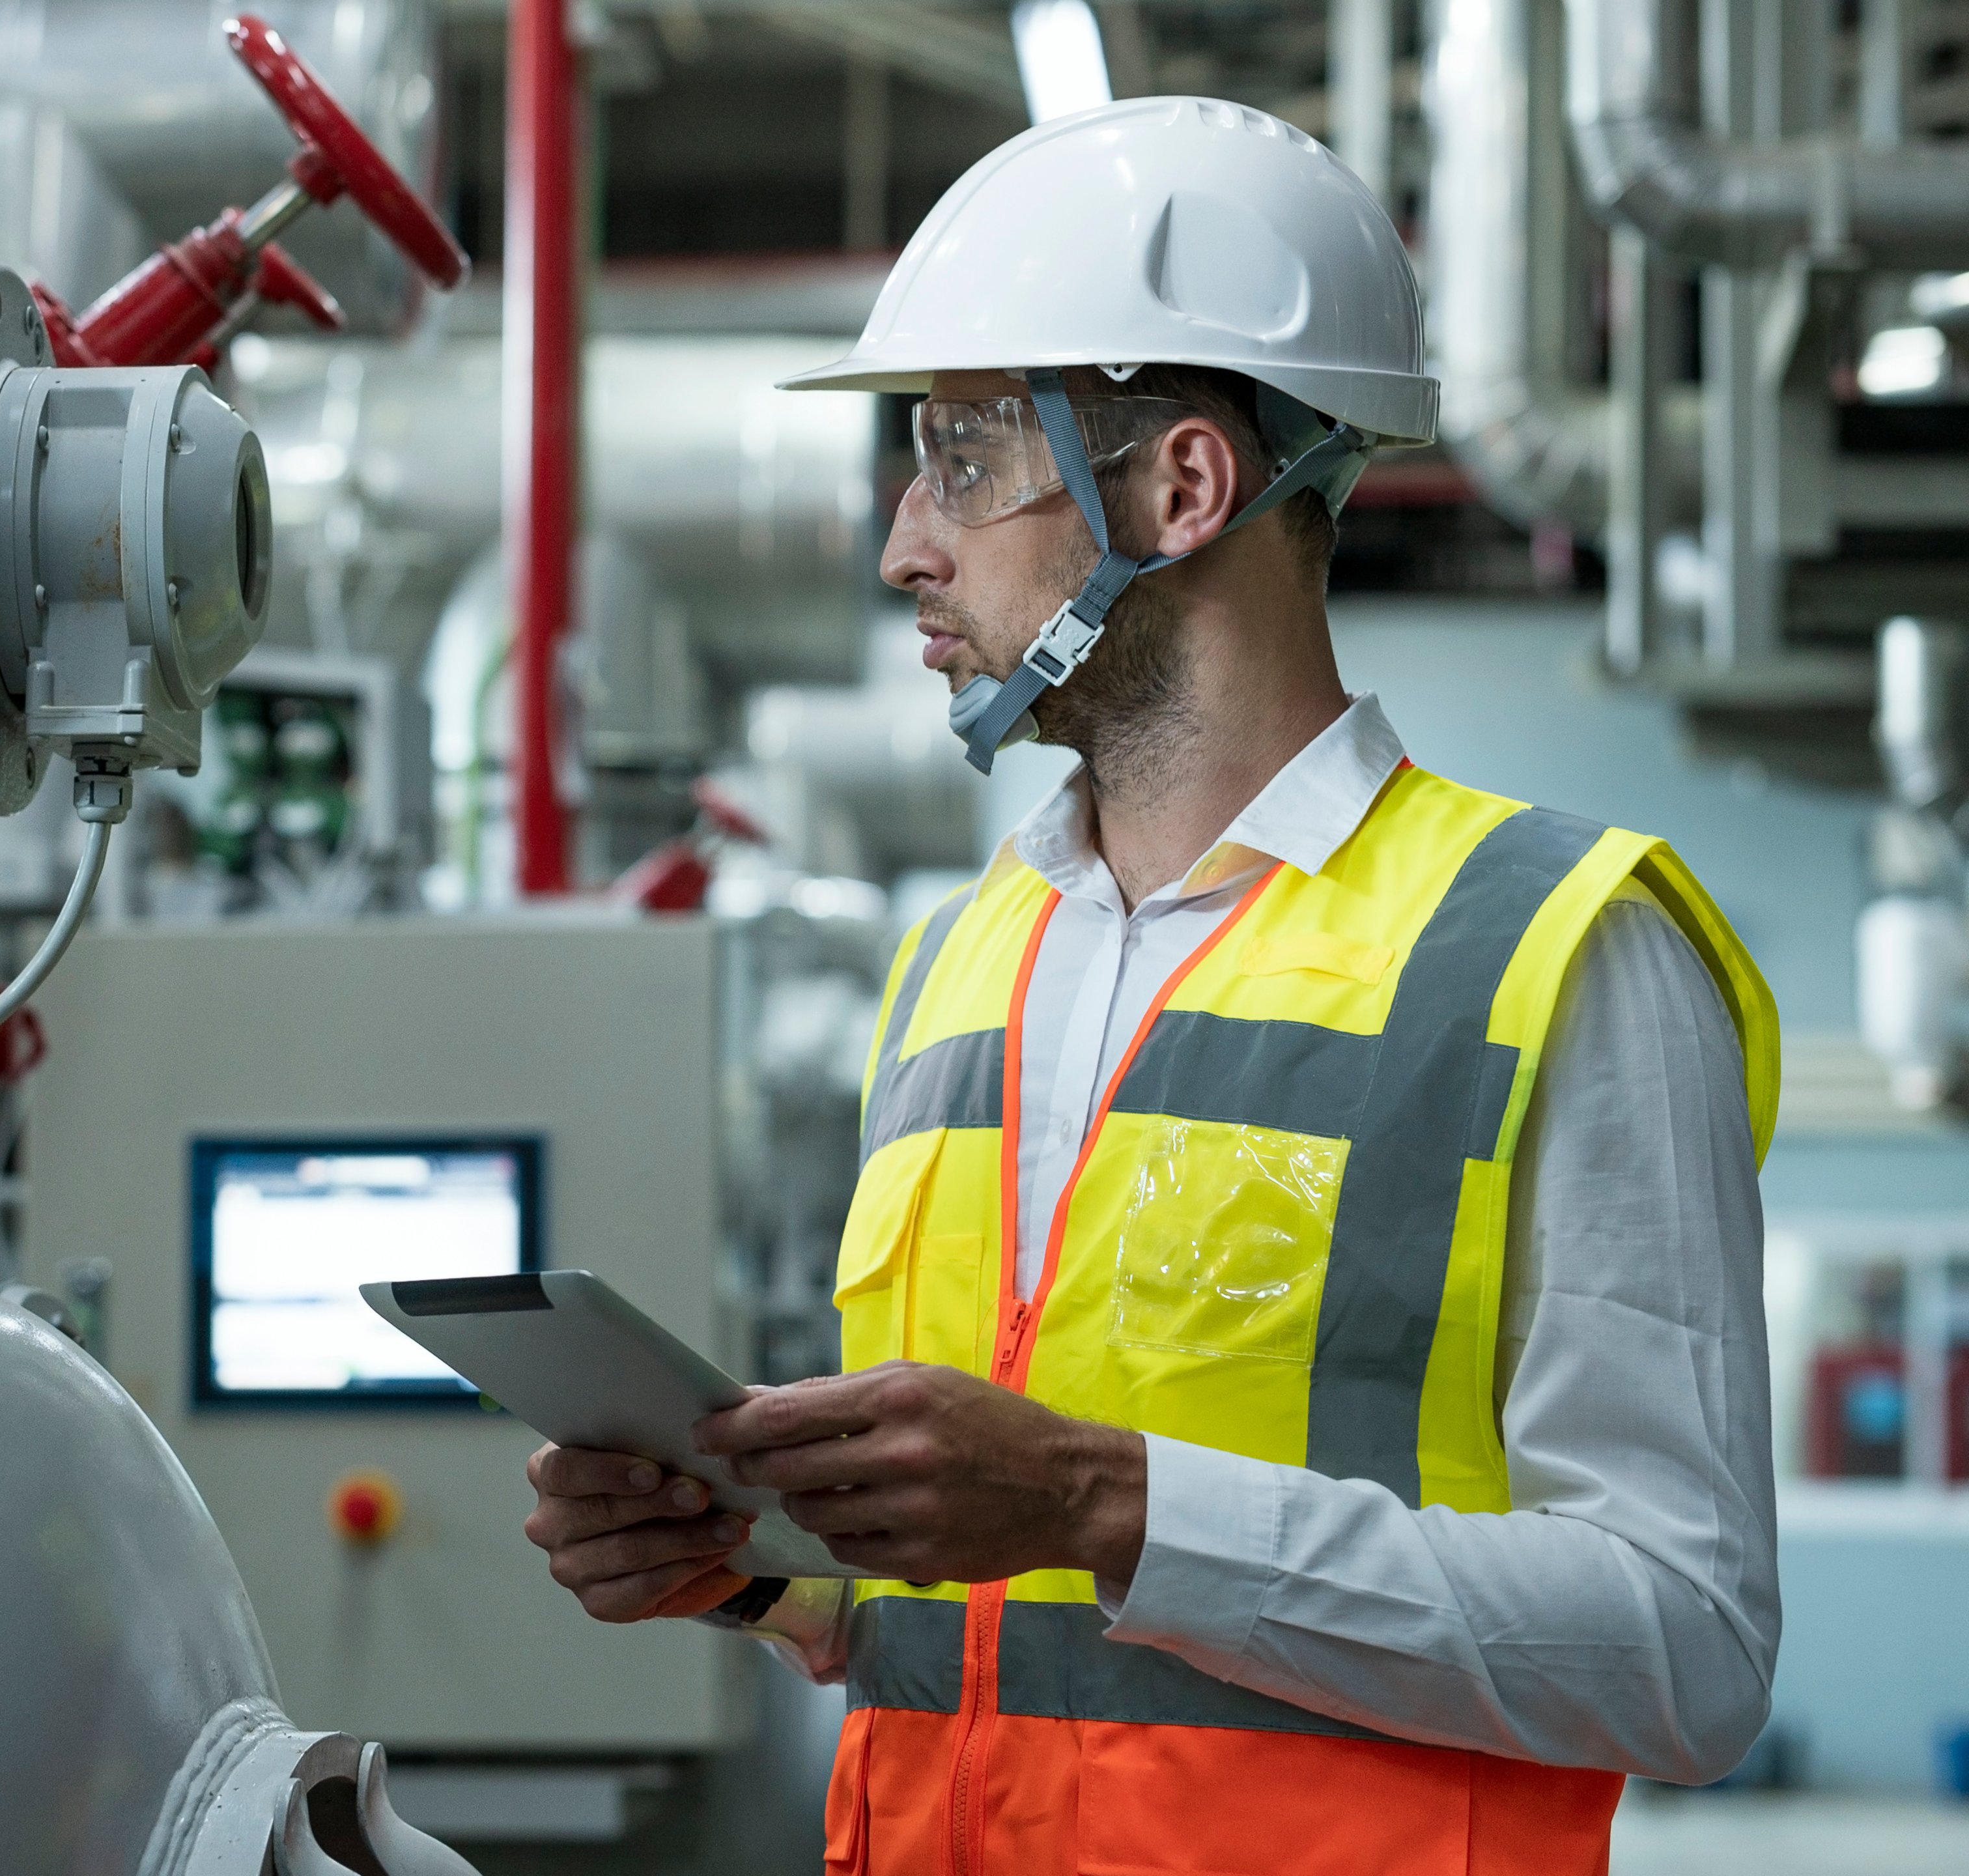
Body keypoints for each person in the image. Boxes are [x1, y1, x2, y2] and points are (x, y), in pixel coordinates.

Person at [519, 96, 1783, 1875]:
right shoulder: (968, 963)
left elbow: (1688, 1653)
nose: (903, 544)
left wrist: (1106, 1500)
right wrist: (759, 1575)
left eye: (962, 457)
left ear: (1182, 487)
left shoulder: (1553, 950)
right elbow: (1002, 1648)